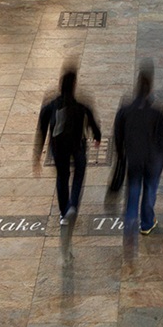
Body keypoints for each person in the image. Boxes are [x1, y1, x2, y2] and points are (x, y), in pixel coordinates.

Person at [33, 69, 102, 225]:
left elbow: (42, 131)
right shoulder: (81, 106)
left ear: (60, 85)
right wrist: (97, 137)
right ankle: (73, 205)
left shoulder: (50, 106)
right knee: (78, 174)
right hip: (77, 145)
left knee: (62, 177)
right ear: (74, 85)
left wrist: (37, 157)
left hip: (58, 148)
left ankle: (64, 213)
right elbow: (93, 123)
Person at [113, 63, 163, 237]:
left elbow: (118, 135)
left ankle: (130, 224)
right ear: (150, 88)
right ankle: (146, 223)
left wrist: (122, 155)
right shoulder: (157, 113)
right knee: (150, 190)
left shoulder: (125, 110)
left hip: (134, 160)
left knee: (133, 191)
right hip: (152, 161)